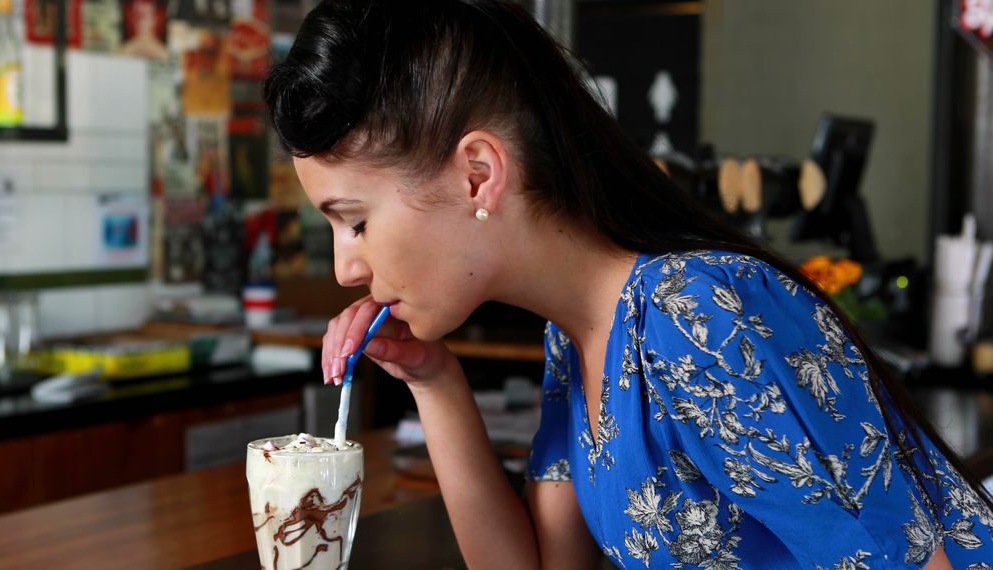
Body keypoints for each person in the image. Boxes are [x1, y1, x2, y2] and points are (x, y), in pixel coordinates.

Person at [262, 1, 993, 568]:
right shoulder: (577, 336)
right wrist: (433, 380)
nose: (344, 269)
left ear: (479, 173)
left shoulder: (693, 316)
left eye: (354, 221)